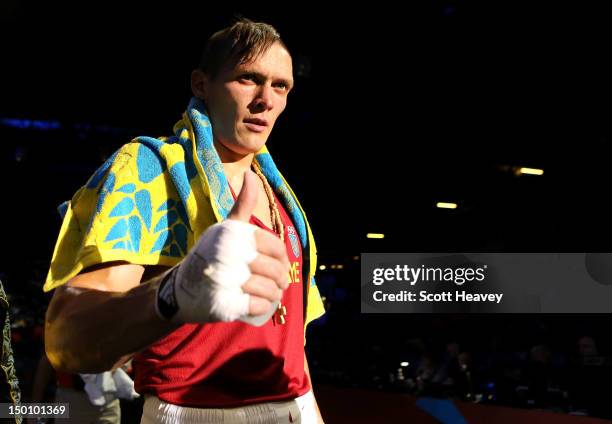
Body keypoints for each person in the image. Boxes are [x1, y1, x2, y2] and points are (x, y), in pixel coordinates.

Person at [43, 18, 326, 423]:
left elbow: (291, 347)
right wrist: (174, 293)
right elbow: (68, 338)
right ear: (200, 85)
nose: (266, 98)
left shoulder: (283, 199)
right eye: (248, 78)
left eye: (280, 86)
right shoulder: (149, 171)